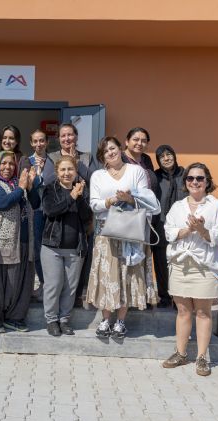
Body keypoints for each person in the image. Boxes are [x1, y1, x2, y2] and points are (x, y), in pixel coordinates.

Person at [86, 137, 159, 339]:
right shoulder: (98, 176)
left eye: (113, 148)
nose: (110, 153)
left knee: (127, 275)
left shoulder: (136, 171)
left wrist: (130, 199)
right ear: (102, 157)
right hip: (106, 232)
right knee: (106, 275)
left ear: (120, 148)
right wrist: (110, 201)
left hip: (131, 231)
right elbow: (94, 204)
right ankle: (105, 320)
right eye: (105, 151)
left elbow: (148, 201)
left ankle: (120, 322)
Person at [162, 163, 218, 376]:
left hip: (205, 265)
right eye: (190, 178)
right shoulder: (178, 206)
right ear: (186, 182)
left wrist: (202, 230)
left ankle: (201, 357)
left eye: (200, 178)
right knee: (182, 311)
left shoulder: (216, 206)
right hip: (180, 263)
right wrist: (188, 229)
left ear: (207, 181)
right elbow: (169, 233)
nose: (195, 182)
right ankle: (181, 354)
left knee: (203, 312)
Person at [0, 151, 39, 333]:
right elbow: (3, 202)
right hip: (1, 243)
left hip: (23, 241)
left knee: (21, 282)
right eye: (4, 163)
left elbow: (36, 203)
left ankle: (15, 317)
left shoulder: (17, 183)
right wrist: (21, 188)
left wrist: (31, 186)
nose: (8, 167)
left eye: (11, 164)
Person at [43, 122, 99, 307]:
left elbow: (94, 179)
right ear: (59, 139)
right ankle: (57, 303)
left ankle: (76, 296)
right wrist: (68, 168)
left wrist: (77, 163)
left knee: (81, 255)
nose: (67, 138)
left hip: (82, 211)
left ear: (76, 136)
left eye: (70, 134)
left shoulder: (86, 157)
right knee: (56, 270)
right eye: (63, 135)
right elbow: (48, 180)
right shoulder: (52, 157)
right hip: (60, 213)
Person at [41, 155, 91, 337]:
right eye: (63, 169)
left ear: (76, 171)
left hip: (75, 248)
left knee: (70, 288)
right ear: (57, 172)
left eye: (70, 169)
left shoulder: (81, 190)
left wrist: (79, 197)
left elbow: (86, 217)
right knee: (53, 285)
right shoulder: (50, 189)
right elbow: (50, 211)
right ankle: (51, 320)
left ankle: (64, 320)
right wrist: (71, 197)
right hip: (52, 247)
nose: (66, 173)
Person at [153, 145, 187, 307]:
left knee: (181, 262)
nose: (166, 158)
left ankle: (180, 298)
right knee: (161, 263)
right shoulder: (155, 177)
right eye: (162, 157)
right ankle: (165, 297)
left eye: (169, 154)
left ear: (174, 155)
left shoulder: (186, 175)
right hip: (160, 225)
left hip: (182, 228)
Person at [19, 129, 52, 296]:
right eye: (35, 141)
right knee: (37, 248)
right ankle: (42, 283)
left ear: (47, 142)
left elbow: (54, 182)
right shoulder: (27, 161)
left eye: (42, 140)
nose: (39, 144)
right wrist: (38, 176)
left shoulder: (53, 160)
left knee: (51, 247)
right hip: (35, 211)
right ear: (31, 143)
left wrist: (38, 179)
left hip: (52, 211)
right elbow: (27, 184)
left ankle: (52, 284)